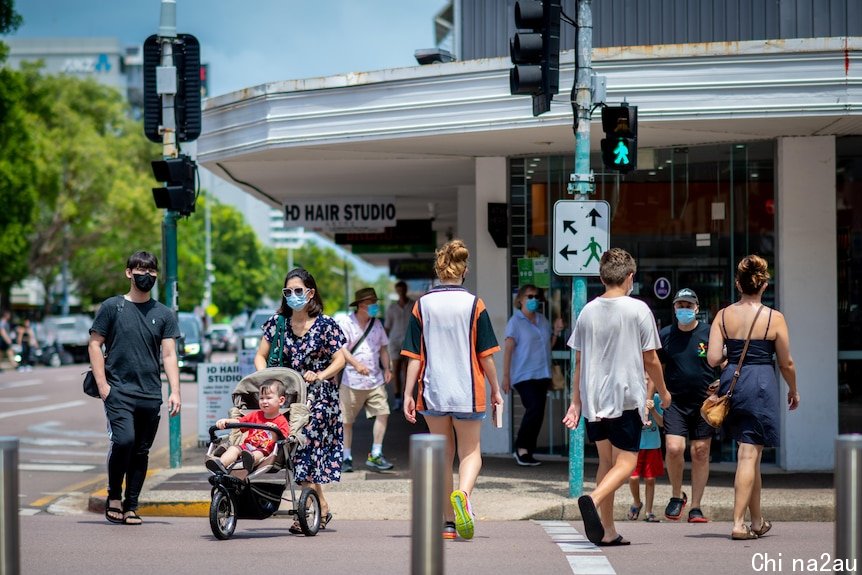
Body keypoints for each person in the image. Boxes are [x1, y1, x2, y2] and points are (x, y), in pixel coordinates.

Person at [562, 247, 671, 546]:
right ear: (630, 277)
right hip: (624, 396)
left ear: (601, 277)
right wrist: (663, 391)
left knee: (606, 462)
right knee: (626, 462)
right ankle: (593, 499)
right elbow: (651, 359)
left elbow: (579, 362)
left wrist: (576, 400)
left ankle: (608, 531)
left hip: (594, 399)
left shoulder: (587, 311)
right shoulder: (638, 310)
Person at [401, 239, 503, 541]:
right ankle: (463, 495)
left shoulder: (422, 305)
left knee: (442, 456)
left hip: (432, 391)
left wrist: (408, 393)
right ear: (465, 270)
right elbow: (486, 355)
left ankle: (447, 523)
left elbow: (414, 357)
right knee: (471, 452)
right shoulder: (474, 305)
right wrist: (496, 388)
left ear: (438, 269)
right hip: (468, 390)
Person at [706, 254, 800, 540]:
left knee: (750, 453)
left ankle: (757, 521)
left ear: (738, 284)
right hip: (761, 383)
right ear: (764, 285)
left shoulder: (723, 315)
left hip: (733, 383)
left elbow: (712, 359)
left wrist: (731, 358)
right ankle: (738, 523)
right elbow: (786, 363)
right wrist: (793, 389)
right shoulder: (775, 318)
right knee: (749, 454)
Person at [88, 251, 181, 525]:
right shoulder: (112, 307)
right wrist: (103, 385)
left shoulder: (164, 314)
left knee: (141, 451)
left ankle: (131, 505)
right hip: (118, 391)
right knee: (124, 441)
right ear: (129, 272)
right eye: (141, 270)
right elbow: (95, 344)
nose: (146, 276)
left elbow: (169, 355)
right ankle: (114, 495)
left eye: (152, 272)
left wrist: (175, 390)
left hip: (150, 394)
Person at [254, 267, 346, 533]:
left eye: (298, 290)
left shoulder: (326, 325)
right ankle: (321, 507)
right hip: (289, 399)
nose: (293, 295)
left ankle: (305, 514)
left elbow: (339, 358)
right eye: (288, 291)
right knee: (295, 453)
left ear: (310, 293)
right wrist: (267, 378)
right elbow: (260, 355)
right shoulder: (277, 323)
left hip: (319, 400)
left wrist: (320, 374)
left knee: (303, 450)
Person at [658, 287, 720, 523]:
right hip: (675, 401)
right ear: (674, 309)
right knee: (674, 448)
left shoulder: (710, 333)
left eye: (688, 306)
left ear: (697, 308)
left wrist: (720, 383)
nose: (684, 310)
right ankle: (677, 495)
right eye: (680, 306)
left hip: (705, 403)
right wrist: (652, 396)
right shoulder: (665, 335)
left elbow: (723, 363)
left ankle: (696, 506)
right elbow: (657, 368)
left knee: (700, 452)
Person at [337, 287, 393, 472]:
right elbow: (341, 349)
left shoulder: (376, 324)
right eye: (372, 304)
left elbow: (383, 348)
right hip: (351, 381)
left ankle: (376, 454)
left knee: (383, 413)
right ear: (361, 305)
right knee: (347, 421)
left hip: (375, 380)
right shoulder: (346, 323)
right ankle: (346, 457)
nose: (375, 307)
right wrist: (356, 364)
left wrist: (387, 367)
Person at [502, 284, 558, 466]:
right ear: (520, 300)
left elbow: (547, 346)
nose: (534, 299)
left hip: (542, 373)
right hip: (523, 375)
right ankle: (521, 448)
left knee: (538, 412)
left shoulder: (542, 320)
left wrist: (556, 332)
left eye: (536, 296)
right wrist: (505, 376)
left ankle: (528, 450)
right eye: (530, 296)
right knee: (533, 408)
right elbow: (508, 350)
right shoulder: (515, 322)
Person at [206, 378, 291, 476]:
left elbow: (284, 440)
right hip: (246, 446)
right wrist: (227, 421)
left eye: (268, 398)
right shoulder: (255, 415)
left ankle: (249, 461)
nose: (264, 401)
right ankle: (220, 465)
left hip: (264, 451)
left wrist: (275, 430)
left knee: (257, 455)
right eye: (261, 398)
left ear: (281, 400)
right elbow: (239, 422)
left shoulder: (281, 421)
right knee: (233, 449)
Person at [627, 388, 664, 523]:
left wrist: (653, 410)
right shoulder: (631, 397)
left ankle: (649, 511)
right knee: (633, 476)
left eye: (649, 379)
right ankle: (637, 502)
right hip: (635, 445)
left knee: (650, 479)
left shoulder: (656, 398)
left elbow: (662, 423)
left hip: (652, 445)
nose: (646, 382)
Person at [384, 280, 413, 410]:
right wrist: (383, 344)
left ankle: (406, 397)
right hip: (395, 341)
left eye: (403, 289)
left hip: (409, 341)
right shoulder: (392, 308)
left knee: (407, 371)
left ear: (406, 290)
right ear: (396, 291)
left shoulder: (413, 305)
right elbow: (387, 327)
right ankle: (397, 399)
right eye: (398, 290)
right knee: (395, 370)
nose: (401, 292)